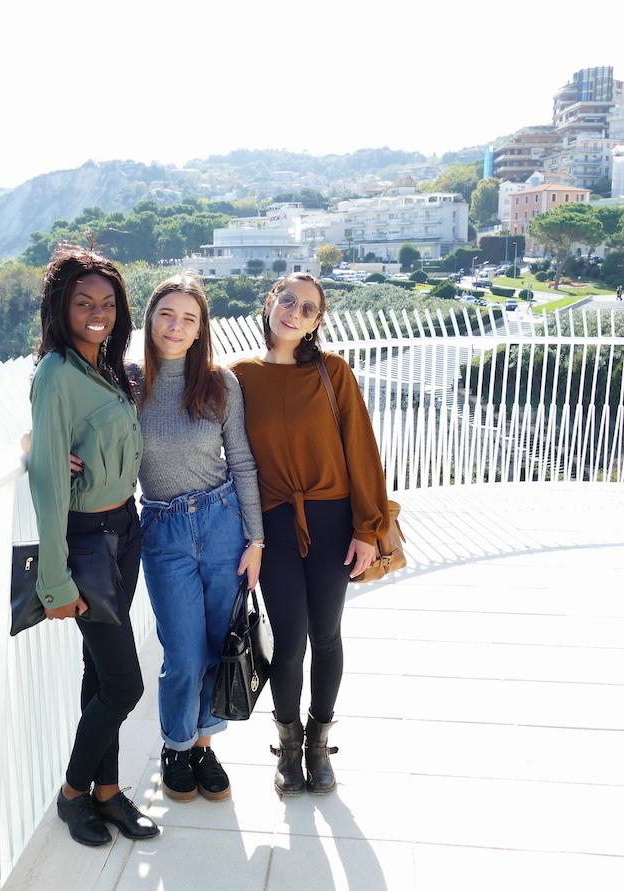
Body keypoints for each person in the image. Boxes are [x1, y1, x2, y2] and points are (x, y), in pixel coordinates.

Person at [231, 273, 389, 796]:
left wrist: (368, 528)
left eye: (308, 308)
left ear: (318, 321)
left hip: (332, 519)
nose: (294, 312)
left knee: (326, 633)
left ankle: (320, 745)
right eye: (288, 300)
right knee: (290, 638)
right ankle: (288, 748)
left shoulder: (332, 372)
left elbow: (361, 450)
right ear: (270, 301)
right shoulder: (238, 377)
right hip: (273, 523)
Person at [27, 245, 159, 847]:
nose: (97, 312)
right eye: (84, 302)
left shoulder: (106, 365)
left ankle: (106, 794)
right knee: (126, 684)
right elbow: (50, 481)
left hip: (123, 529)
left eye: (106, 302)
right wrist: (53, 580)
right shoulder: (55, 373)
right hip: (86, 542)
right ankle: (74, 794)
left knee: (99, 673)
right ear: (62, 307)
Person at [121, 272, 265, 803]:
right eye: (166, 314)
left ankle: (204, 745)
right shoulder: (128, 382)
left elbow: (243, 462)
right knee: (182, 651)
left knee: (217, 645)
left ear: (202, 327)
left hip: (222, 522)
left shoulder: (220, 383)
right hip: (163, 528)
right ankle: (175, 745)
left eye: (189, 318)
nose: (176, 327)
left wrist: (256, 540)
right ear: (150, 319)